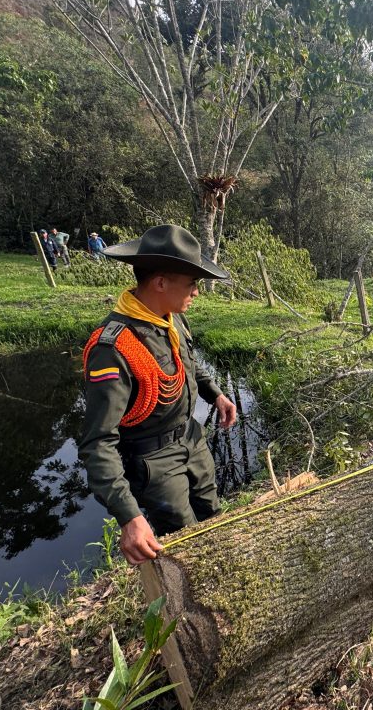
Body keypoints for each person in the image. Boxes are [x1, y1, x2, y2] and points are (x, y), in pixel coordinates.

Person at [78, 224, 238, 565]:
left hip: (193, 442)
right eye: (192, 283)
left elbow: (188, 365)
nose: (196, 292)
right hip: (155, 464)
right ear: (161, 282)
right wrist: (129, 516)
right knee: (185, 546)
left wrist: (216, 395)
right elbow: (97, 443)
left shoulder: (171, 319)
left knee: (215, 518)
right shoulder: (113, 349)